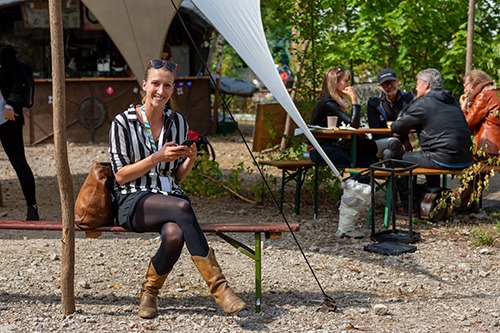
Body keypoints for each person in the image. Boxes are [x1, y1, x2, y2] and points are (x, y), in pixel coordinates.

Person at [109, 59, 245, 318]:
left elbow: (176, 177)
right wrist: (155, 158)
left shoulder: (178, 121)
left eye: (167, 85)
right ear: (144, 85)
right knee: (182, 206)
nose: (161, 91)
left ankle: (149, 294)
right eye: (156, 84)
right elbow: (120, 176)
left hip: (167, 200)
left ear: (173, 89)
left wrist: (190, 159)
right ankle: (220, 289)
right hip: (132, 200)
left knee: (174, 235)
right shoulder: (122, 123)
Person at [391, 68, 473, 214]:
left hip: (445, 157)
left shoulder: (423, 103)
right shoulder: (451, 100)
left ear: (426, 84)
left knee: (394, 160)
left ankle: (410, 207)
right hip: (465, 158)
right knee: (428, 153)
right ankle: (431, 202)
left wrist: (414, 101)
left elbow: (397, 126)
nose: (416, 87)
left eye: (418, 83)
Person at [309, 67, 378, 168]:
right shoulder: (328, 103)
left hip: (331, 147)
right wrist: (354, 99)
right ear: (335, 82)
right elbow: (354, 124)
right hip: (320, 151)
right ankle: (354, 183)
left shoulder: (336, 102)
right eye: (346, 81)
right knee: (366, 159)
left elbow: (350, 125)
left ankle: (356, 183)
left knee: (370, 150)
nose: (349, 84)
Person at [0, 45, 39, 221]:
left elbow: (20, 80)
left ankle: (32, 207)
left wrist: (11, 103)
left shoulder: (4, 53)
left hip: (8, 118)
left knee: (19, 163)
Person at [457, 69, 500, 212]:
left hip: (489, 150)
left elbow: (466, 124)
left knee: (467, 163)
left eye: (465, 85)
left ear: (474, 83)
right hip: (495, 149)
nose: (465, 89)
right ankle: (470, 205)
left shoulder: (484, 96)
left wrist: (463, 107)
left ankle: (466, 206)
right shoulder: (496, 93)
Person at [367, 68, 414, 159]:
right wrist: (400, 140)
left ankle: (393, 172)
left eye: (391, 82)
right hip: (382, 142)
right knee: (389, 152)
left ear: (397, 81)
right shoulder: (374, 103)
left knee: (389, 153)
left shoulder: (409, 99)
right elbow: (375, 131)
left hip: (402, 143)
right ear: (379, 86)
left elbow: (413, 122)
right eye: (385, 84)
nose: (389, 86)